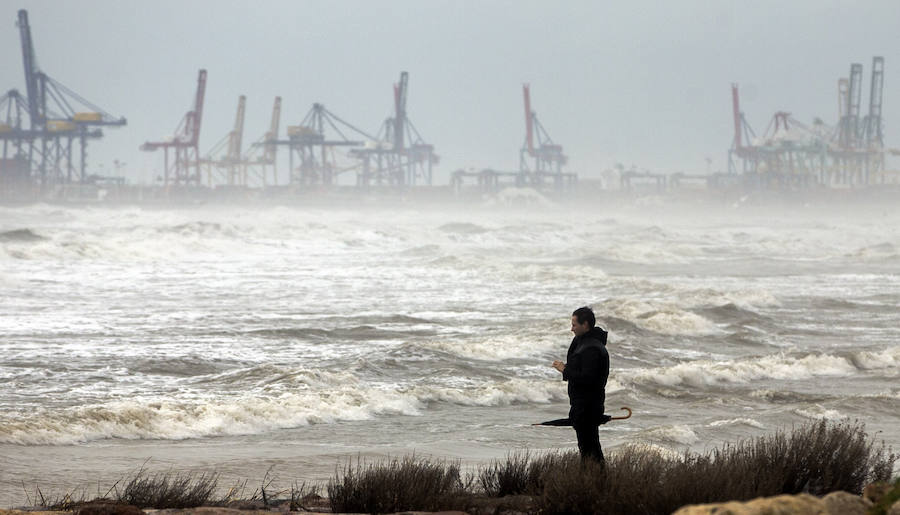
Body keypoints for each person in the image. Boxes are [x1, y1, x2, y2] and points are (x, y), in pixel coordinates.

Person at [552, 306, 610, 462]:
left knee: (590, 450)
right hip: (582, 405)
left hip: (589, 407)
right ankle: (595, 480)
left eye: (574, 325)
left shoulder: (592, 348)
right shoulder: (582, 342)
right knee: (588, 449)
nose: (571, 329)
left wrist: (565, 370)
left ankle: (595, 482)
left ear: (585, 325)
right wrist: (566, 369)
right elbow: (581, 370)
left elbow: (588, 379)